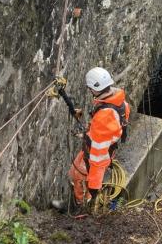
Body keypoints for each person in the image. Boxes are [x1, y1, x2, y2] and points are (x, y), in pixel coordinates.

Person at [53, 67, 130, 211]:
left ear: (95, 89)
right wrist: (88, 133)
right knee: (73, 171)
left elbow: (97, 155)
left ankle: (81, 206)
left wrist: (94, 183)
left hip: (97, 157)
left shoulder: (104, 115)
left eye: (90, 89)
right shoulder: (120, 103)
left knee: (78, 175)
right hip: (105, 148)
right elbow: (108, 130)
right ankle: (84, 199)